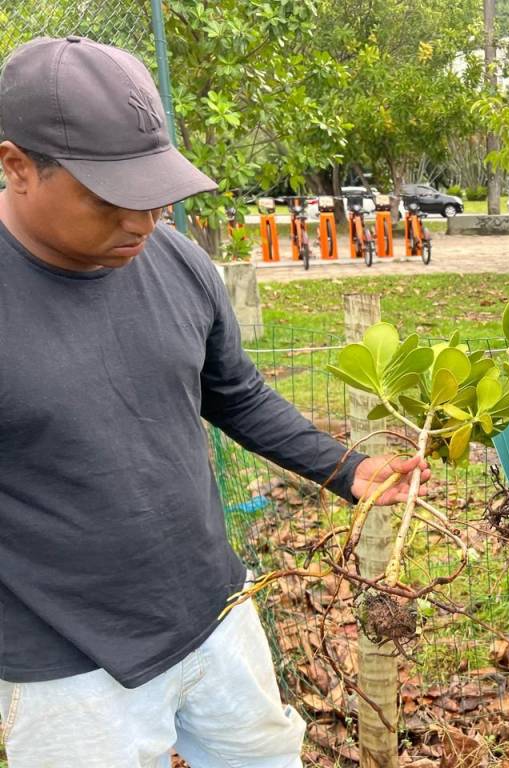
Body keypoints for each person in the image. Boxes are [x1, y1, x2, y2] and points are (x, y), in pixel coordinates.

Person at [0, 37, 427, 767]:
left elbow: (236, 394)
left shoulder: (175, 261)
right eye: (112, 197)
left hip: (215, 613)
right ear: (16, 167)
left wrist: (345, 469)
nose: (142, 221)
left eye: (154, 191)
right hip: (67, 665)